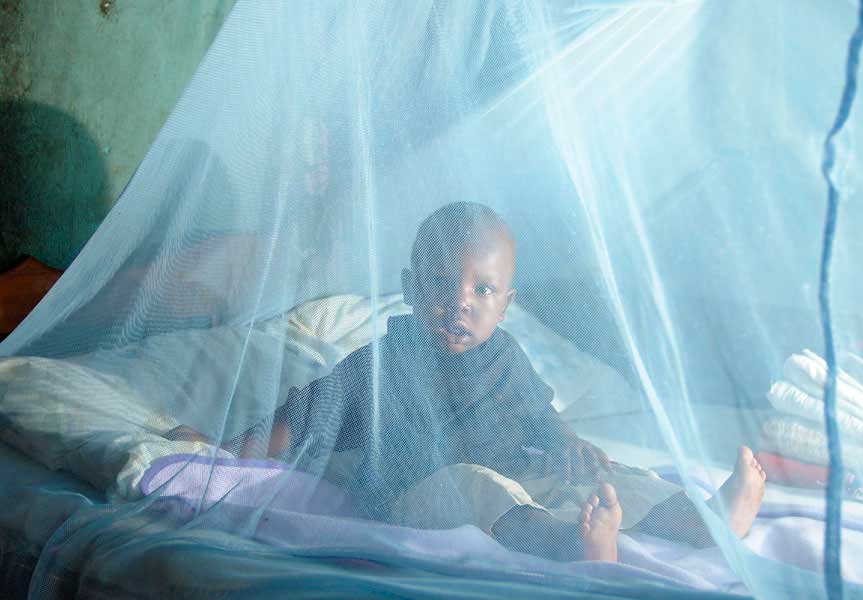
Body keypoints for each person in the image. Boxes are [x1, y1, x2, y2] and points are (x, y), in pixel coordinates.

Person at [168, 202, 766, 562]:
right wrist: (223, 450)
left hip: (516, 466)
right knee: (479, 486)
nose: (460, 302)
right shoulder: (382, 365)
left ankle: (703, 520)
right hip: (416, 493)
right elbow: (305, 417)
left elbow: (537, 414)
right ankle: (574, 546)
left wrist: (566, 444)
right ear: (409, 286)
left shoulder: (503, 357)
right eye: (440, 282)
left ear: (506, 304)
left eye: (481, 290)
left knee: (606, 476)